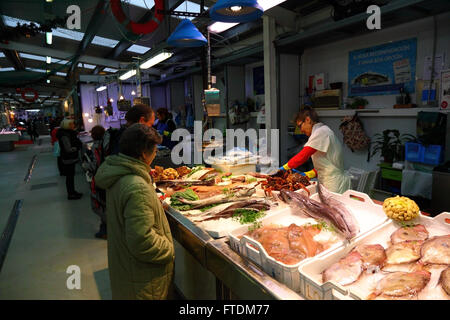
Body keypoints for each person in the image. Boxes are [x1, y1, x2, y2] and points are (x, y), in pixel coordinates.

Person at [94, 124, 174, 300]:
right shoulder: (136, 186)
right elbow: (142, 241)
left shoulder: (118, 173)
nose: (155, 155)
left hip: (127, 271)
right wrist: (169, 249)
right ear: (144, 153)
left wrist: (154, 208)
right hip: (143, 281)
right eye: (154, 150)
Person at [92, 104, 156, 239]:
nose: (151, 128)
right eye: (150, 124)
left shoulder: (118, 133)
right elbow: (141, 238)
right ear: (142, 120)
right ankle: (104, 231)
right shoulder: (127, 139)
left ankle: (105, 230)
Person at [280, 107, 351, 194]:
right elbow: (325, 164)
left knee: (331, 207)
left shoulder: (321, 132)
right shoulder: (320, 132)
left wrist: (283, 168)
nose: (301, 130)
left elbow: (303, 156)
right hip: (329, 181)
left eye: (300, 126)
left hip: (333, 184)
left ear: (308, 119)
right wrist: (309, 174)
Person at [88, 125, 107, 239]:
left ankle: (106, 229)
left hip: (98, 178)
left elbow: (95, 163)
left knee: (97, 205)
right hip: (106, 176)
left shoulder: (96, 146)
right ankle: (105, 229)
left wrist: (86, 166)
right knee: (104, 204)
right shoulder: (106, 144)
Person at [57, 119, 83, 200]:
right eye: (71, 124)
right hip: (68, 158)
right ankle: (71, 194)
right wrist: (76, 148)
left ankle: (72, 192)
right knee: (70, 177)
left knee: (70, 177)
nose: (73, 125)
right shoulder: (65, 135)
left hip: (69, 157)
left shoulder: (66, 133)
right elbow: (68, 149)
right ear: (67, 125)